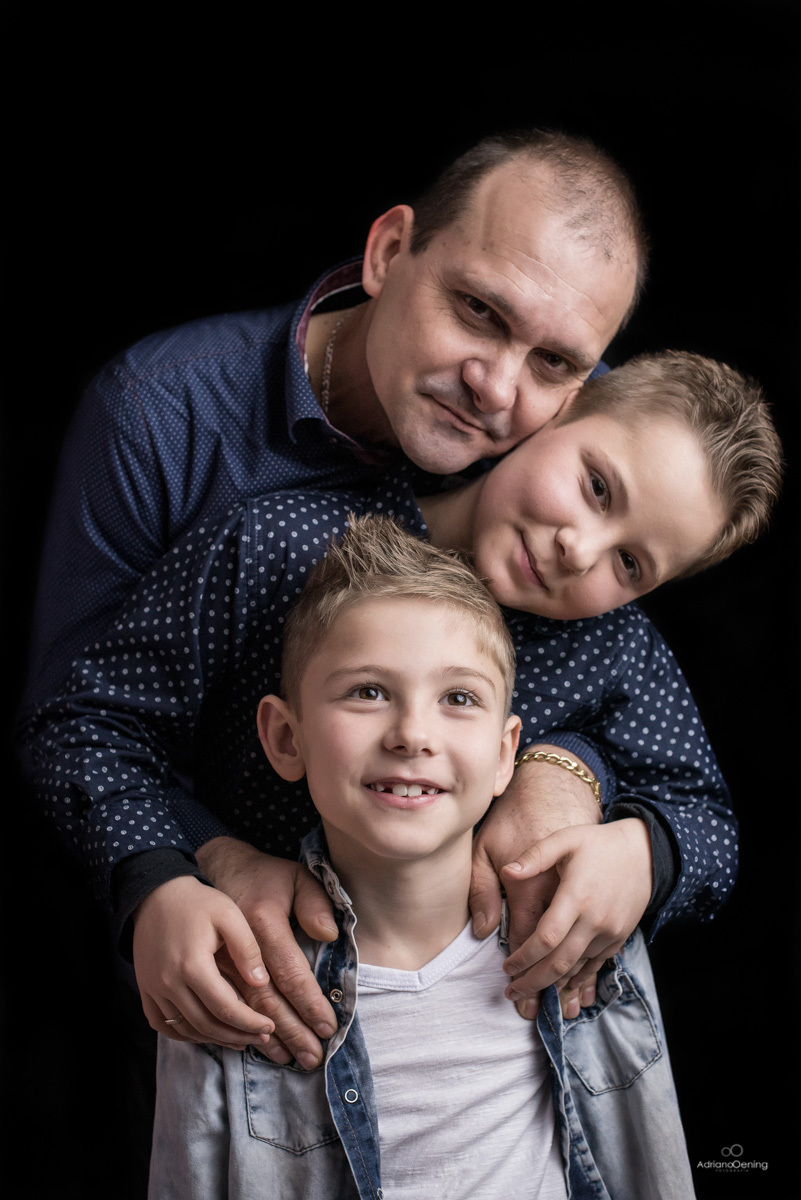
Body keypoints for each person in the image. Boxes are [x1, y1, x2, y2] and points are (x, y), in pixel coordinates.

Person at [19, 128, 650, 1057]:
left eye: (554, 361)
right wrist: (189, 859)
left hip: (472, 1013)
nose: (495, 387)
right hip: (218, 999)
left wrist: (576, 779)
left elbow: (632, 696)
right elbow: (78, 721)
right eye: (477, 310)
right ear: (388, 252)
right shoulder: (159, 412)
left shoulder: (565, 453)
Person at [21, 350, 781, 1079]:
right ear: (559, 410)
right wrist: (169, 868)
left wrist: (640, 851)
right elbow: (87, 722)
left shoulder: (612, 647)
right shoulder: (276, 545)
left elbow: (706, 823)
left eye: (630, 564)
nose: (579, 551)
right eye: (596, 487)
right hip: (235, 1015)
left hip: (480, 1053)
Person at [148, 514, 699, 1200]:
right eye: (368, 692)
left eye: (458, 698)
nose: (412, 733)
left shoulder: (583, 926)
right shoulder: (228, 975)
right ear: (286, 738)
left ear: (505, 754)